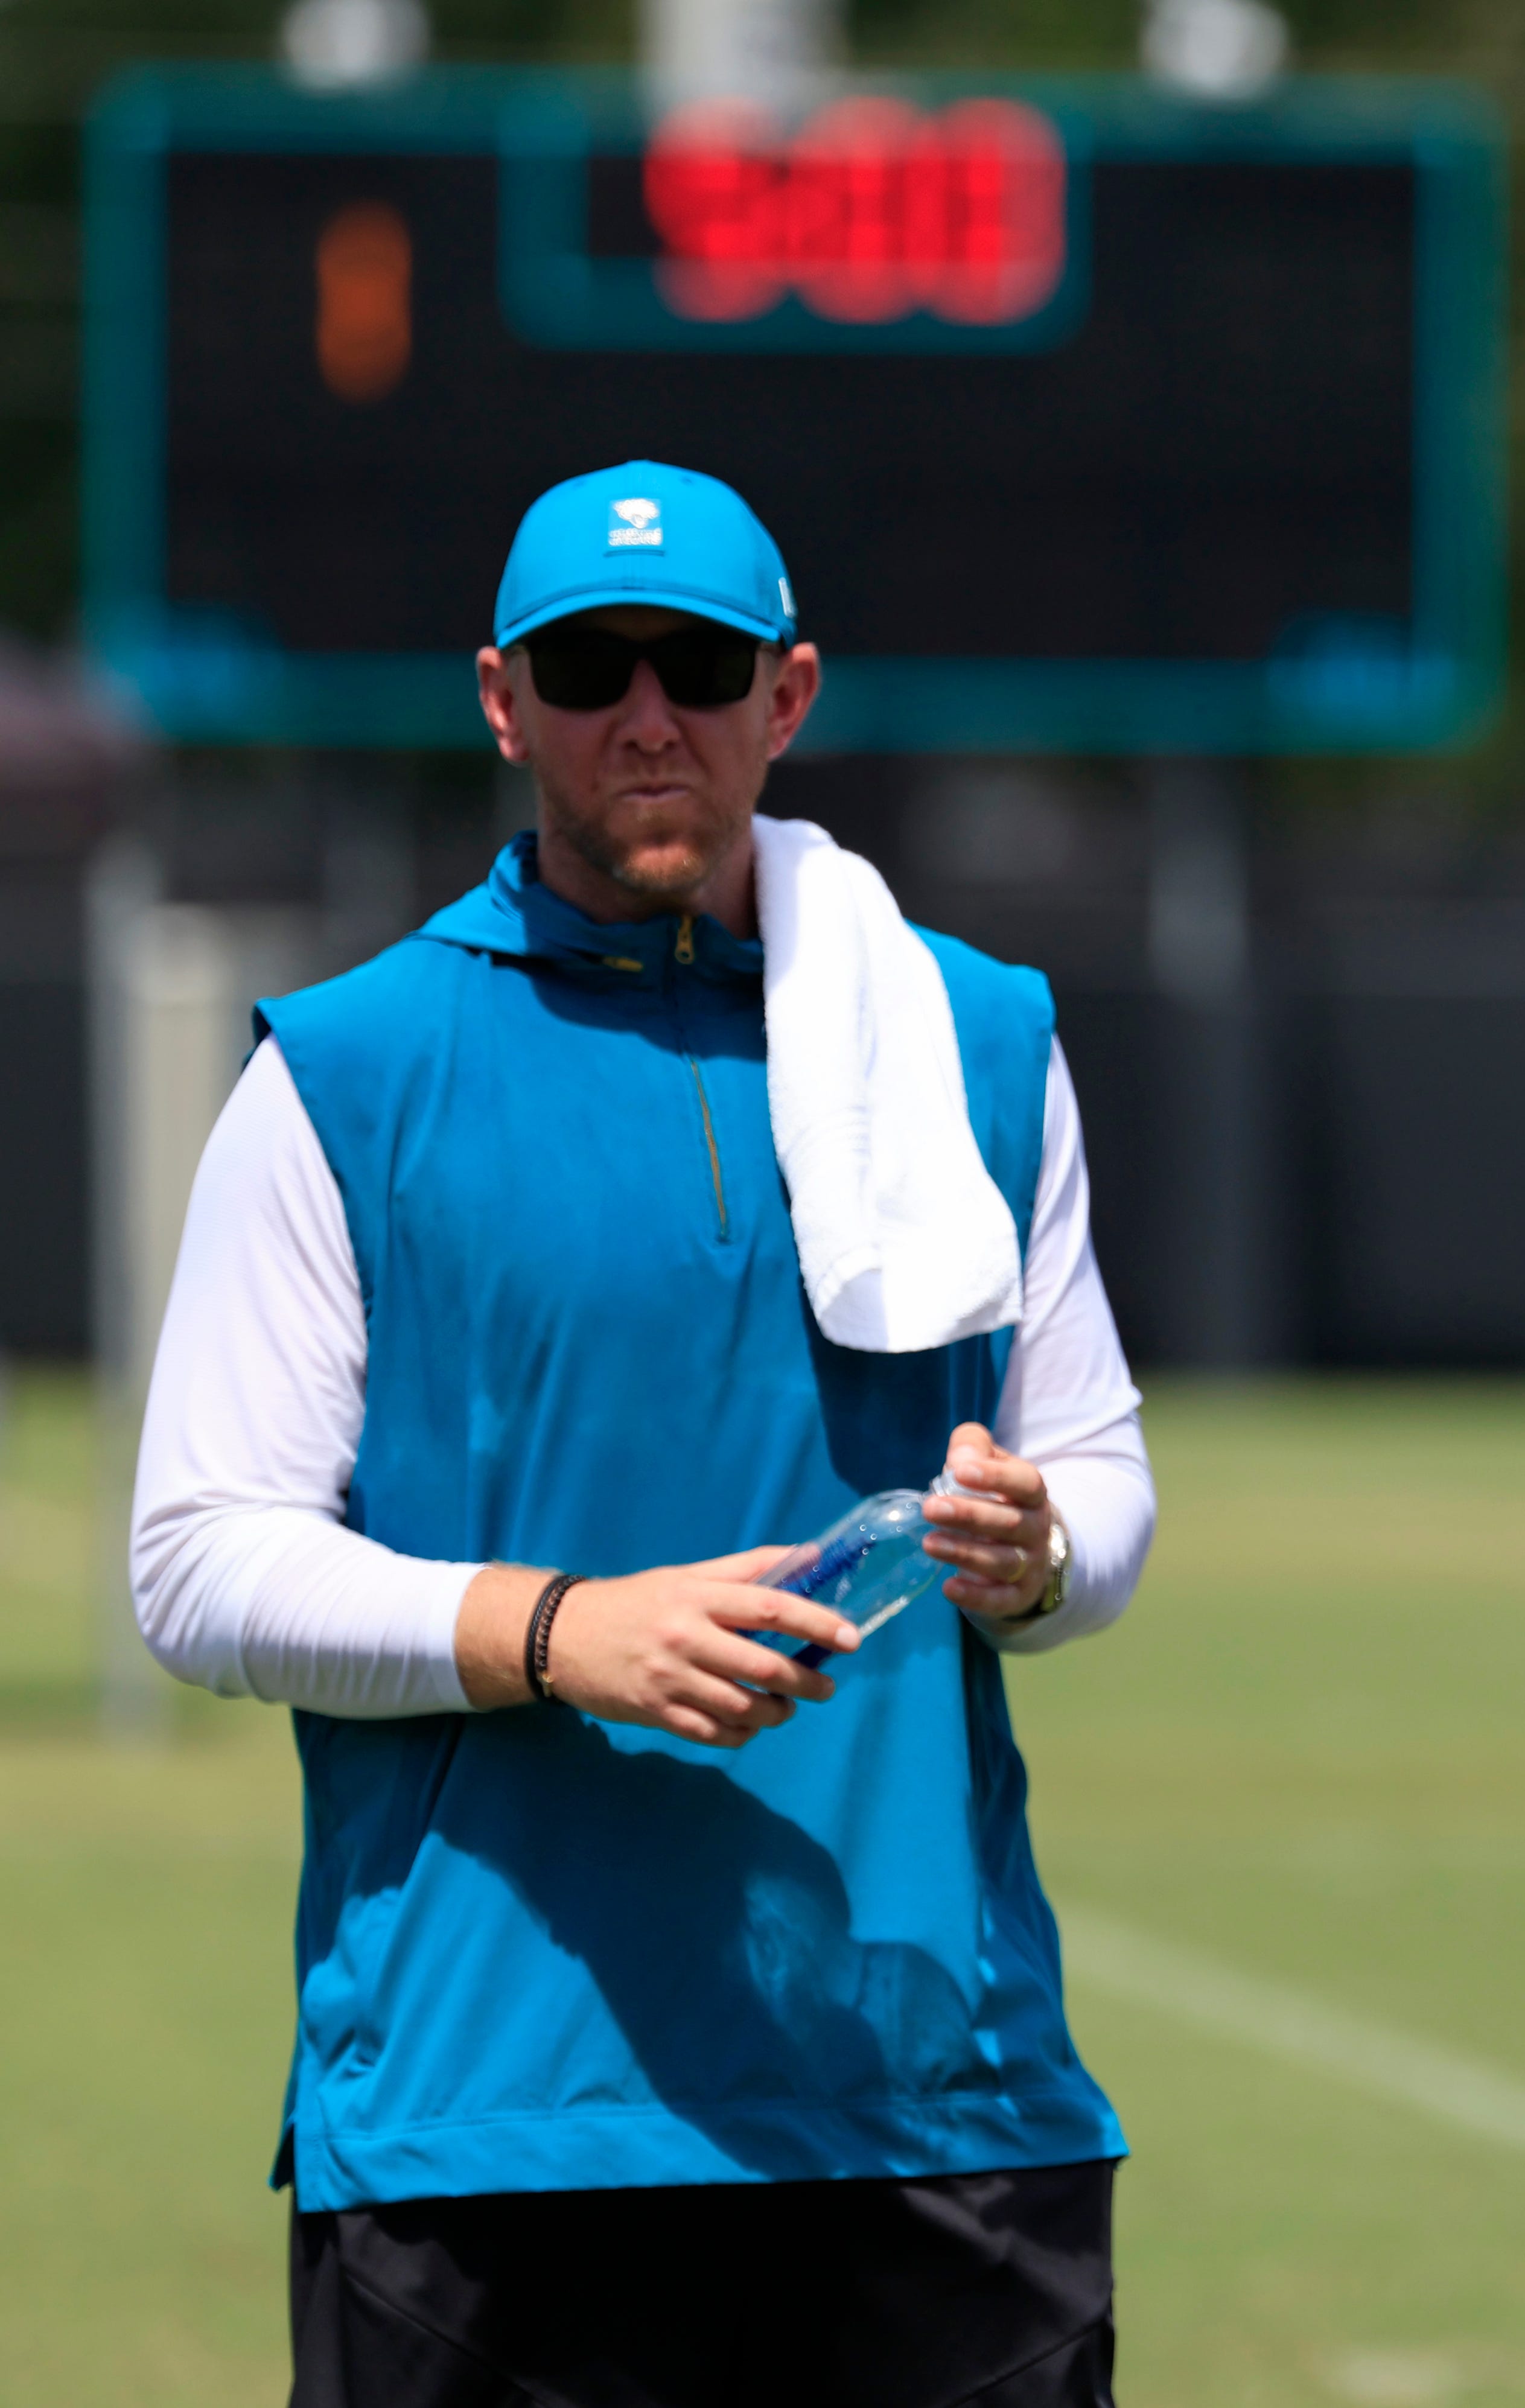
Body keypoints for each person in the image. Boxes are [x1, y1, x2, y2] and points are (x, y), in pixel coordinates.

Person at [129, 460, 1156, 2407]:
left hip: (936, 2107)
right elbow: (196, 1560)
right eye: (592, 670)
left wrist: (1041, 1559)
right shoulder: (346, 1074)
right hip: (488, 2118)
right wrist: (555, 1632)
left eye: (698, 664)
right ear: (504, 700)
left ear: (790, 693)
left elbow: (1096, 1474)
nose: (647, 716)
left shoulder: (974, 1039)